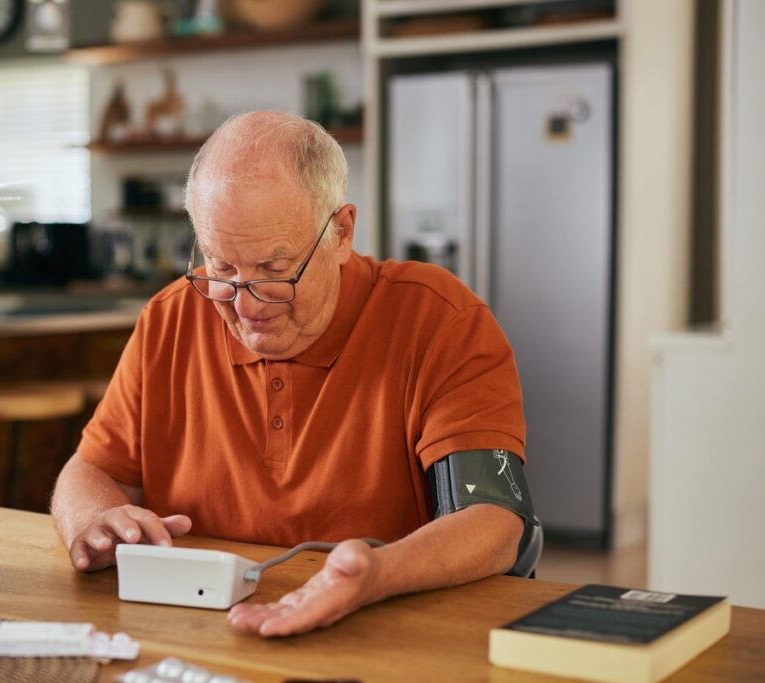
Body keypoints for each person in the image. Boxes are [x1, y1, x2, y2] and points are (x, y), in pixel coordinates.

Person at [51, 111, 540, 638]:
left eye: (275, 270)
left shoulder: (442, 320)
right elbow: (92, 471)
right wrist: (93, 521)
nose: (246, 303)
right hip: (198, 629)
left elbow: (493, 522)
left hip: (385, 628)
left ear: (341, 232)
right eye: (221, 268)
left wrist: (377, 575)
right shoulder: (171, 317)